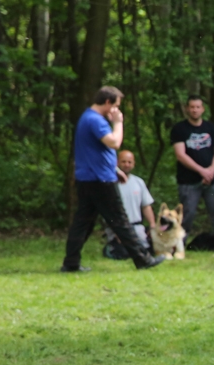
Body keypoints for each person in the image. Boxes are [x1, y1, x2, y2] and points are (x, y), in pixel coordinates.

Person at [61, 86, 164, 273]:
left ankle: (71, 262)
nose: (117, 110)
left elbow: (93, 151)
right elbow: (114, 142)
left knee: (83, 223)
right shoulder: (95, 120)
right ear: (107, 102)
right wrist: (118, 123)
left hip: (89, 178)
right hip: (100, 180)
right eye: (116, 106)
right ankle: (143, 259)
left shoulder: (87, 117)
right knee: (120, 220)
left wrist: (114, 169)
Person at [171, 95, 214, 249]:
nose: (195, 110)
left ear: (203, 109)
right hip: (188, 180)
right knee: (187, 213)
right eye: (192, 107)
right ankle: (179, 244)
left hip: (212, 179)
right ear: (187, 109)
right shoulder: (179, 129)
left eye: (198, 107)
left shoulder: (211, 128)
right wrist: (202, 171)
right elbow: (180, 155)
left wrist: (210, 171)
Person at [103, 149, 156, 258]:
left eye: (129, 162)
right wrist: (115, 230)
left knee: (148, 251)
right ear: (117, 162)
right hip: (117, 227)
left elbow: (146, 206)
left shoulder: (139, 182)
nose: (126, 164)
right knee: (123, 253)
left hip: (137, 226)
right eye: (123, 161)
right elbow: (106, 210)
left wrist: (152, 225)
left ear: (133, 164)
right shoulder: (110, 182)